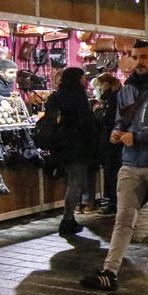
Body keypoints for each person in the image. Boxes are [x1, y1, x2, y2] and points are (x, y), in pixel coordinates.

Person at [82, 41, 148, 292]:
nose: (139, 61)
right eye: (135, 57)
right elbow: (120, 121)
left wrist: (137, 137)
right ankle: (110, 271)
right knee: (123, 219)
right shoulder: (126, 90)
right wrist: (117, 133)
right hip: (129, 162)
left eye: (144, 57)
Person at [44, 67, 98, 236]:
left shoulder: (56, 96)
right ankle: (67, 220)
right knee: (76, 182)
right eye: (83, 78)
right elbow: (86, 122)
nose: (85, 81)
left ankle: (69, 219)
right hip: (77, 145)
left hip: (60, 145)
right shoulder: (79, 96)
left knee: (72, 181)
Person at [93, 73, 123, 216]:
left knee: (112, 172)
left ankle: (114, 202)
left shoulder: (112, 98)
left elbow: (108, 118)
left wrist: (98, 111)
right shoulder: (113, 96)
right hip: (110, 141)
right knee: (111, 171)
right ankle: (113, 201)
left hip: (111, 141)